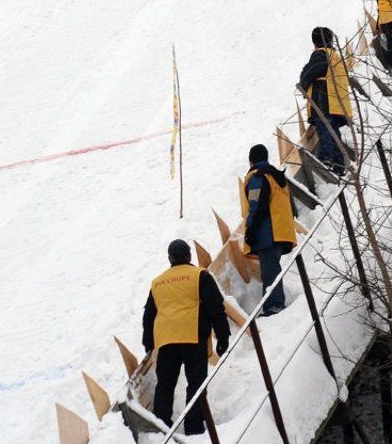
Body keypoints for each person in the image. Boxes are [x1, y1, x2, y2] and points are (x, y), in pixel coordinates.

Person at [142, 239, 230, 435]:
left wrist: (148, 343)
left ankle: (161, 427)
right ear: (189, 256)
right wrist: (222, 337)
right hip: (193, 337)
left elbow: (149, 316)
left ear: (169, 258)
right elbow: (216, 308)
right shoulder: (199, 275)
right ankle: (194, 427)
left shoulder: (158, 282)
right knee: (196, 383)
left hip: (166, 341)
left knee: (165, 384)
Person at [243, 144, 297, 316]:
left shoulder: (258, 177)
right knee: (271, 268)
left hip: (267, 233)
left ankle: (274, 305)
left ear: (251, 160)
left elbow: (255, 205)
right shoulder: (276, 176)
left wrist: (250, 230)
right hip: (281, 231)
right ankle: (272, 304)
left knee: (270, 271)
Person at [299, 26, 352, 174]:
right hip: (335, 103)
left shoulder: (320, 54)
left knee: (325, 131)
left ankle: (327, 161)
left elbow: (312, 70)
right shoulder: (334, 55)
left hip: (323, 100)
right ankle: (340, 165)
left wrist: (303, 83)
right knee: (333, 132)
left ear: (315, 42)